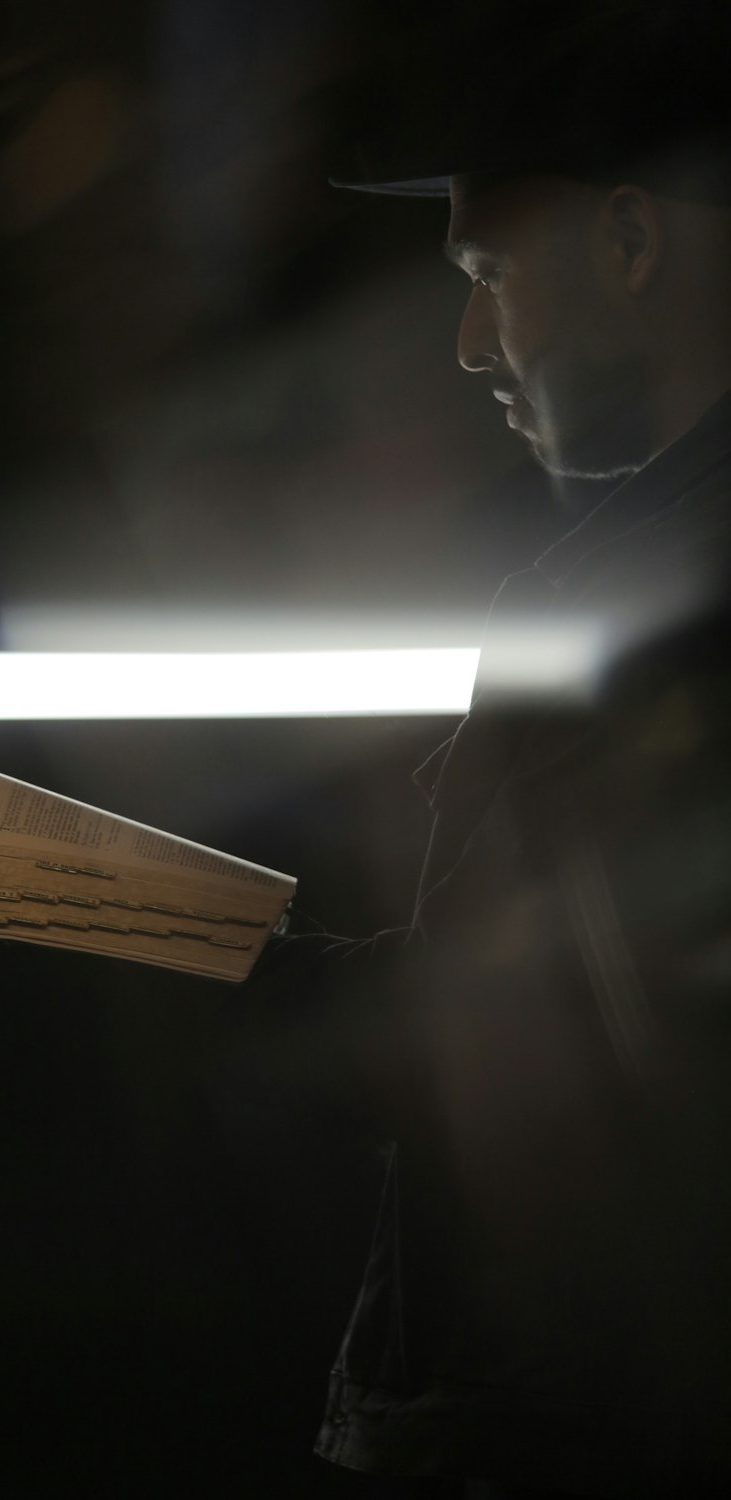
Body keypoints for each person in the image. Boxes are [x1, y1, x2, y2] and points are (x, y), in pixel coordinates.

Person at [258, 4, 731, 1495]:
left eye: (487, 274)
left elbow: (527, 1061)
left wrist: (132, 931)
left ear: (634, 243)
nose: (470, 342)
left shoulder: (638, 605)